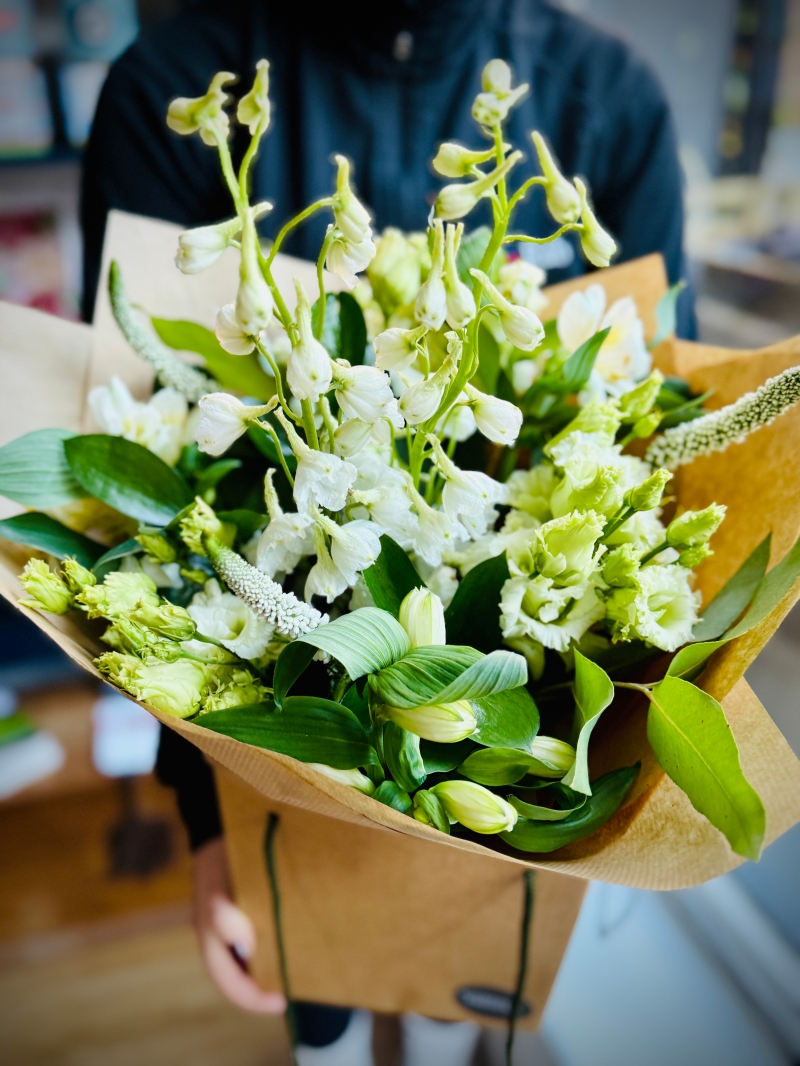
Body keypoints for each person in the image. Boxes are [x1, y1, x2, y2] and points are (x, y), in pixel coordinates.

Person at [81, 2, 694, 1062]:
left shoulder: (610, 103)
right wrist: (206, 821)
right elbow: (139, 530)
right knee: (317, 1019)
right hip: (269, 764)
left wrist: (601, 795)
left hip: (521, 774)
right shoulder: (168, 83)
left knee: (476, 1019)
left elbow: (655, 440)